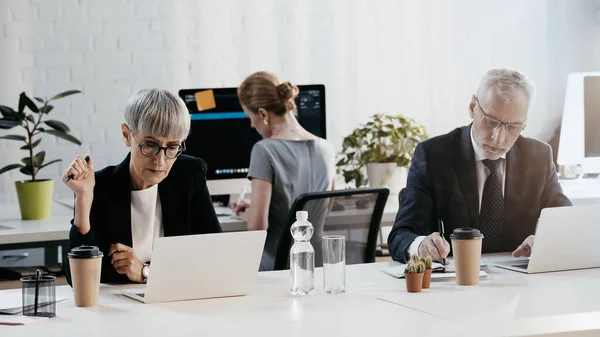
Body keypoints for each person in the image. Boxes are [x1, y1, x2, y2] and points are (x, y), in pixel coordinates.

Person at [387, 68, 572, 264]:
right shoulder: (433, 156)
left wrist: (544, 241)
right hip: (455, 284)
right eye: (491, 122)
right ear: (472, 106)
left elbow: (567, 222)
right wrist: (421, 245)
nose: (498, 137)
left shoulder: (538, 157)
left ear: (524, 124)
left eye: (512, 127)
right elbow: (401, 234)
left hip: (520, 283)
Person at [63, 88, 222, 284]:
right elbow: (78, 279)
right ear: (127, 135)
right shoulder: (100, 186)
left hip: (180, 302)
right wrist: (83, 199)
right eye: (150, 145)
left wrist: (145, 272)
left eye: (172, 147)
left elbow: (214, 257)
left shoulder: (189, 174)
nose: (160, 161)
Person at [232, 71, 336, 271]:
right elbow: (324, 209)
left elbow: (257, 227)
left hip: (277, 268)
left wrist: (249, 215)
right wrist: (256, 208)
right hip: (318, 266)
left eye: (250, 117)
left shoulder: (264, 150)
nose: (251, 125)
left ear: (263, 114)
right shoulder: (327, 148)